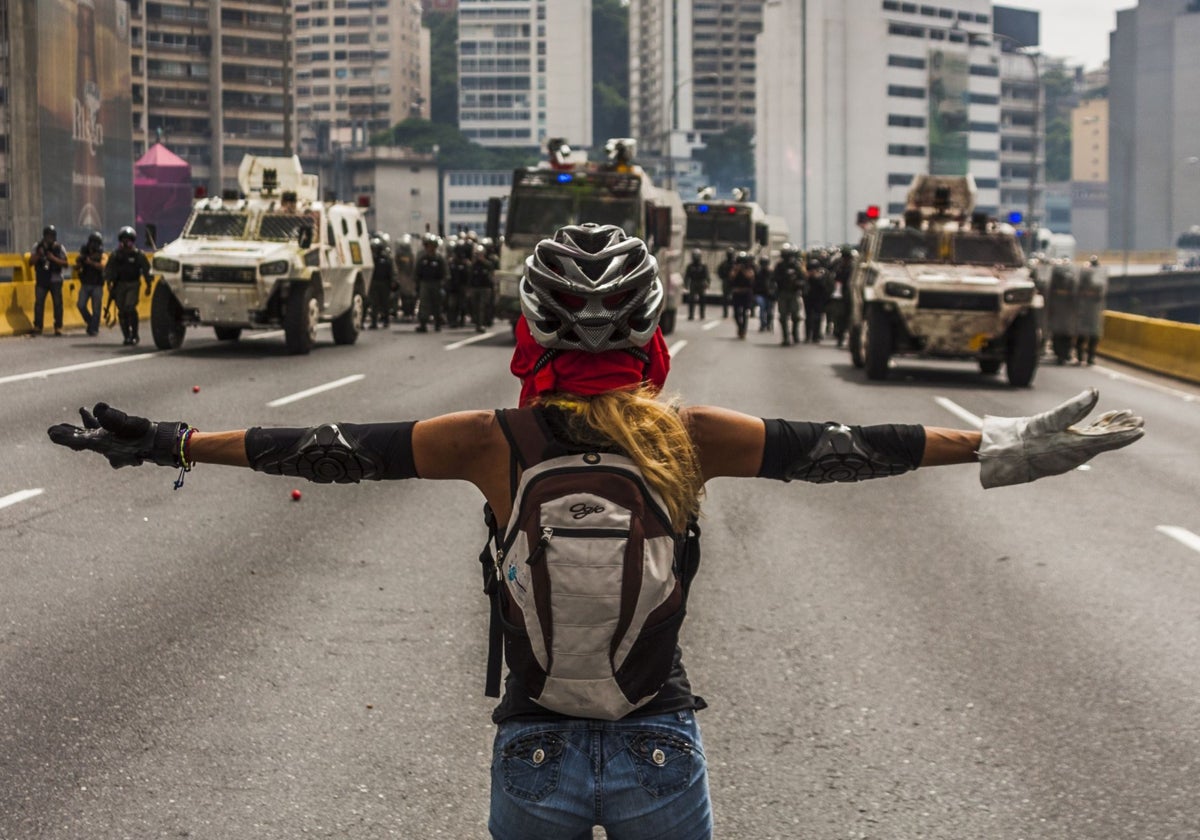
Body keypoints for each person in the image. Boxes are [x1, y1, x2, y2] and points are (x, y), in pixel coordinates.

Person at [45, 223, 1145, 840]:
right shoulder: (691, 432)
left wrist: (171, 444)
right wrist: (1002, 444)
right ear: (654, 333)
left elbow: (333, 446)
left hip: (532, 747)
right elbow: (849, 443)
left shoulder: (492, 436)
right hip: (660, 741)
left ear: (532, 330)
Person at [104, 226, 153, 346]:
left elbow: (146, 270)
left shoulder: (138, 255)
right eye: (124, 240)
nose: (126, 243)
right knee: (122, 311)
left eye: (129, 240)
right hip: (120, 285)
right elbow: (109, 269)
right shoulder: (115, 255)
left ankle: (135, 334)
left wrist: (148, 285)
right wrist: (109, 282)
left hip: (133, 284)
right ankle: (126, 336)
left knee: (130, 308)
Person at [29, 224, 70, 336]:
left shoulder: (59, 248)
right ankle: (38, 326)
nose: (49, 238)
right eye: (48, 236)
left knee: (57, 304)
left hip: (56, 279)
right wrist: (39, 254)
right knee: (39, 303)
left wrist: (53, 258)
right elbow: (31, 262)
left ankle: (58, 327)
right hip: (42, 279)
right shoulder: (37, 246)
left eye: (51, 236)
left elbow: (66, 263)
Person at [1074, 256, 1107, 366]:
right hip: (1084, 309)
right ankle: (1079, 357)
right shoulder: (1083, 277)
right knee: (1082, 335)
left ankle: (1090, 357)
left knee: (1094, 335)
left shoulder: (1099, 280)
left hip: (1094, 310)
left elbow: (1101, 294)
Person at [772, 243, 805, 347]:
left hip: (794, 293)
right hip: (783, 293)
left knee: (795, 316)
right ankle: (785, 337)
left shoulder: (797, 266)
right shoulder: (779, 266)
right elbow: (774, 279)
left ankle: (795, 335)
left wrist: (797, 283)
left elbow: (803, 279)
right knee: (783, 317)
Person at [76, 231, 106, 337]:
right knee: (80, 305)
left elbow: (103, 266)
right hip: (85, 283)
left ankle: (94, 328)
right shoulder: (85, 253)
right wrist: (80, 262)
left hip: (97, 284)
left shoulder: (102, 254)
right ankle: (90, 322)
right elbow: (78, 265)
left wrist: (91, 263)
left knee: (96, 308)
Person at [415, 233, 447, 333]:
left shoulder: (439, 258)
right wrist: (417, 283)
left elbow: (445, 272)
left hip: (436, 283)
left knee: (436, 304)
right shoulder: (422, 258)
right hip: (425, 283)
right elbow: (417, 271)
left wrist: (443, 283)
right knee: (424, 304)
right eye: (428, 245)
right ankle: (423, 324)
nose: (430, 248)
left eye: (432, 245)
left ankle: (437, 323)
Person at [367, 235, 396, 329]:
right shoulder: (370, 259)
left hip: (384, 283)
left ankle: (386, 320)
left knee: (385, 303)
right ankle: (374, 322)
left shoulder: (386, 258)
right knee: (374, 303)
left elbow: (391, 270)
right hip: (374, 283)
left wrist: (393, 281)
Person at [728, 251, 757, 340]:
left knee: (745, 313)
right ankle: (740, 327)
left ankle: (743, 330)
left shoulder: (750, 268)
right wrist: (737, 269)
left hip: (746, 293)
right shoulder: (735, 268)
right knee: (736, 314)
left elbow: (750, 277)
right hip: (736, 293)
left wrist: (743, 270)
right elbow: (731, 277)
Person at [468, 243, 495, 332]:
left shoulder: (488, 264)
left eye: (480, 254)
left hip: (485, 288)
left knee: (482, 307)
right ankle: (477, 323)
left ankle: (481, 324)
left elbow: (491, 276)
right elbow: (470, 277)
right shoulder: (473, 265)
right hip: (475, 288)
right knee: (475, 307)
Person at [684, 249, 709, 321]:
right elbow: (687, 275)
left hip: (701, 282)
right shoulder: (690, 266)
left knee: (702, 299)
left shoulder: (703, 265)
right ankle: (691, 315)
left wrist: (707, 283)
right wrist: (686, 284)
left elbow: (706, 275)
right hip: (693, 282)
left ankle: (702, 314)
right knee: (691, 299)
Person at [754, 254, 774, 333]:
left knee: (769, 311)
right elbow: (754, 284)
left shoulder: (771, 273)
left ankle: (768, 324)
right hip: (760, 294)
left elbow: (775, 283)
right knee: (762, 308)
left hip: (770, 295)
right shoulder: (758, 273)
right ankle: (763, 324)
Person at [716, 247, 735, 318]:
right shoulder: (724, 264)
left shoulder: (736, 263)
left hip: (734, 282)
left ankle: (734, 313)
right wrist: (723, 278)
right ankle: (725, 313)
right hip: (726, 281)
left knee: (735, 298)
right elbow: (719, 271)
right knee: (725, 298)